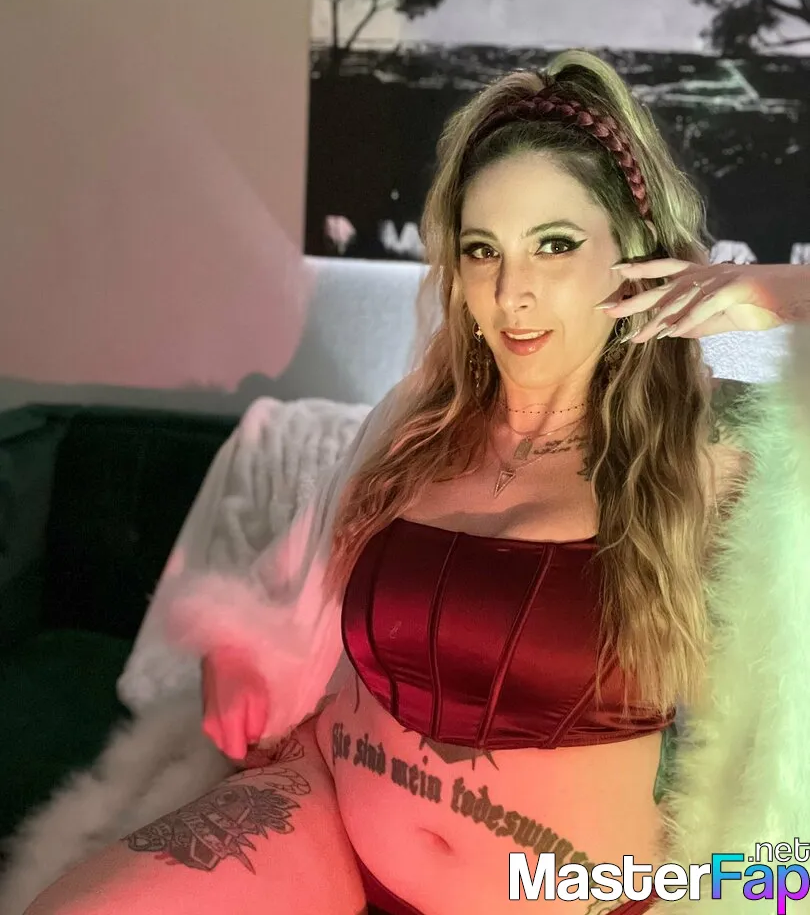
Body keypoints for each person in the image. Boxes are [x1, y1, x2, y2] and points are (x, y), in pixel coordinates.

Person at [24, 50, 810, 915]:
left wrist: (770, 294)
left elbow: (782, 844)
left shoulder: (720, 453)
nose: (512, 292)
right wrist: (252, 660)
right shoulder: (418, 424)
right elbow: (292, 609)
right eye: (482, 250)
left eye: (554, 245)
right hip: (331, 819)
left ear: (632, 252)